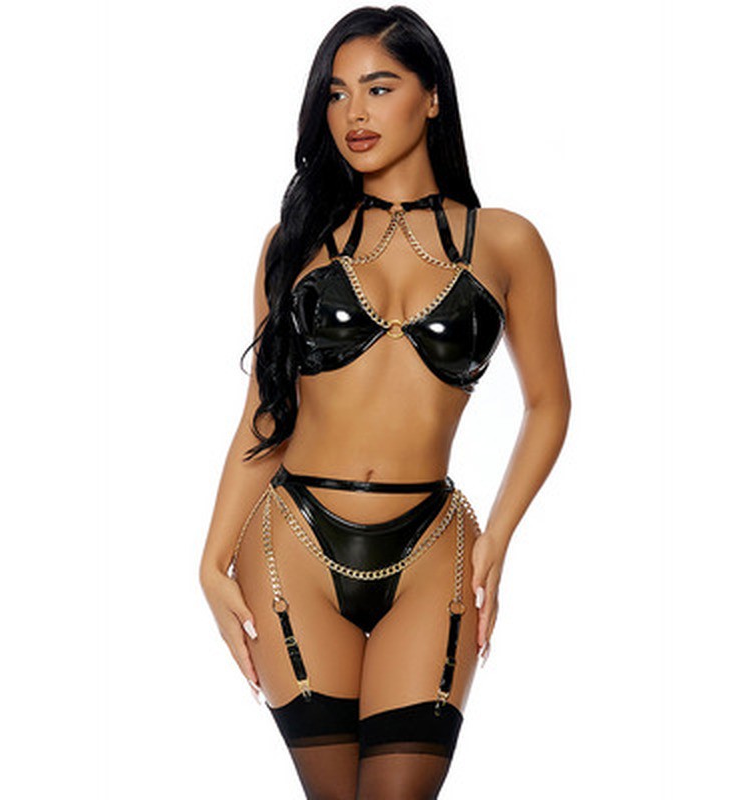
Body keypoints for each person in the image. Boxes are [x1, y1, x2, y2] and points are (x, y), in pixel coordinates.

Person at [199, 6, 570, 798]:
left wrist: (500, 535)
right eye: (336, 94)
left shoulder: (506, 242)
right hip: (292, 542)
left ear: (432, 97)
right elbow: (265, 414)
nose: (354, 114)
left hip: (435, 548)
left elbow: (548, 403)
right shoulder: (294, 241)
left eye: (378, 87)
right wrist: (209, 559)